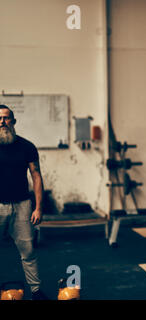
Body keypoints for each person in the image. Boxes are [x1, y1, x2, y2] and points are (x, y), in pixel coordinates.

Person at [0, 105, 48, 300]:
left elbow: (36, 176)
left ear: (13, 121)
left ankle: (36, 291)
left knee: (28, 251)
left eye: (6, 118)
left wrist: (38, 207)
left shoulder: (27, 146)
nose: (2, 122)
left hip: (22, 206)